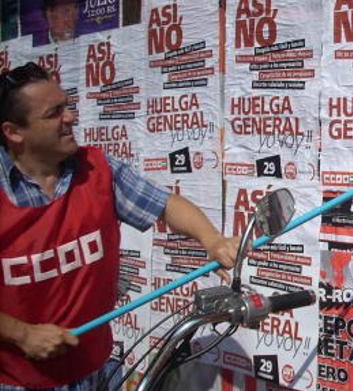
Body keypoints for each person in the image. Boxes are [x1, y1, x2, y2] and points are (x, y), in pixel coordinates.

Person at [0, 62, 240, 389]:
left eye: (67, 107)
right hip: (19, 380)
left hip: (96, 368)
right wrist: (23, 333)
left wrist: (212, 239)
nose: (70, 117)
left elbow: (165, 204)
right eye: (53, 113)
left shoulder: (96, 168)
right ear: (13, 132)